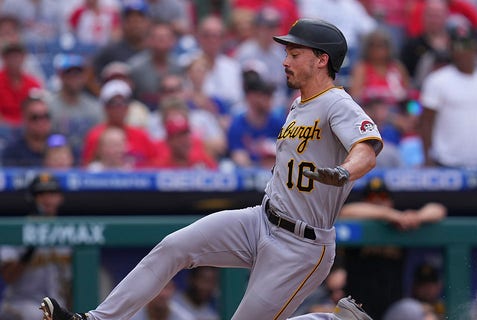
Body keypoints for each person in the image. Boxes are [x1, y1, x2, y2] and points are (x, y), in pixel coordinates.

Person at [41, 18, 381, 320]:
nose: (285, 61)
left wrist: (345, 172)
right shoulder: (297, 104)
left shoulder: (337, 102)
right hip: (261, 219)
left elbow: (366, 148)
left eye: (295, 54)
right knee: (173, 247)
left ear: (322, 59)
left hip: (302, 244)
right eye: (287, 53)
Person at [340, 177, 446, 319]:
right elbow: (345, 212)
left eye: (383, 196)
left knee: (416, 310)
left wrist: (416, 217)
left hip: (392, 310)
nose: (378, 201)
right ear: (364, 201)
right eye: (372, 197)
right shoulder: (359, 219)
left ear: (391, 201)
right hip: (355, 307)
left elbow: (438, 210)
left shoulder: (400, 225)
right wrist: (391, 215)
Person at [419, 23, 477, 168]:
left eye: (467, 45)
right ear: (450, 49)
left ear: (476, 48)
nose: (463, 52)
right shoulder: (436, 81)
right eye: (458, 46)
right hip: (445, 163)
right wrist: (427, 158)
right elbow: (426, 123)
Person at [0, 173, 71, 320]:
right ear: (32, 199)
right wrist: (29, 251)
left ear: (60, 198)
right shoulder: (17, 231)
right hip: (21, 303)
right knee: (35, 314)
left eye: (52, 193)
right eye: (41, 194)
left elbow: (72, 284)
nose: (47, 199)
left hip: (58, 304)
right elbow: (8, 277)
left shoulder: (69, 232)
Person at [81, 79, 157, 168]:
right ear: (105, 107)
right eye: (113, 103)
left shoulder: (141, 135)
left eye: (123, 102)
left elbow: (154, 164)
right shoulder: (95, 135)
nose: (118, 107)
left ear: (128, 107)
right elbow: (86, 167)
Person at [46, 54, 103, 159]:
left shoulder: (94, 107)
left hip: (87, 159)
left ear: (84, 77)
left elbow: (99, 139)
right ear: (61, 76)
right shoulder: (49, 105)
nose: (74, 78)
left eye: (78, 74)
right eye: (69, 74)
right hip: (57, 160)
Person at [227, 70, 284, 168]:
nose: (269, 100)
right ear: (251, 97)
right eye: (264, 96)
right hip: (248, 178)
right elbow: (239, 157)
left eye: (270, 96)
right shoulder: (238, 124)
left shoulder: (278, 123)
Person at [1, 94, 53, 167]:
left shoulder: (61, 144)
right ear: (24, 119)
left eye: (45, 116)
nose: (42, 122)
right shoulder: (12, 152)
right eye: (35, 117)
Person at [0, 40, 42, 127]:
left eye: (17, 56)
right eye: (10, 56)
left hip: (29, 128)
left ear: (23, 57)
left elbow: (38, 111)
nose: (14, 59)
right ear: (4, 58)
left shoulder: (33, 83)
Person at [130, 280, 195, 320]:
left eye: (167, 287)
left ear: (173, 289)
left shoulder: (184, 318)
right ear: (147, 290)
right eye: (157, 288)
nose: (162, 294)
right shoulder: (130, 315)